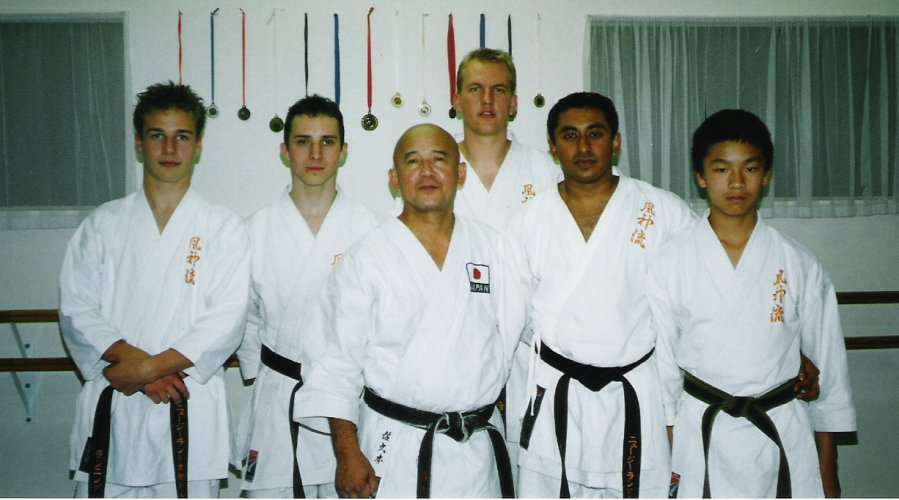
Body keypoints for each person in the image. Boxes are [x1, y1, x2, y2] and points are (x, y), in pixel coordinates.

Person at [294, 124, 515, 498]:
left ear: (460, 173)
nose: (427, 172)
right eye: (413, 162)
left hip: (477, 452)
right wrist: (347, 454)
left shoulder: (493, 247)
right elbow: (335, 363)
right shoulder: (367, 257)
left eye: (439, 159)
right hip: (397, 448)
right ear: (395, 178)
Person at [645, 109, 857, 498]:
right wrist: (672, 456)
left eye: (751, 168)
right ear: (701, 176)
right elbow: (664, 375)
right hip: (700, 432)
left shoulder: (798, 262)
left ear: (767, 175)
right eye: (721, 169)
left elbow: (830, 374)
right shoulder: (670, 262)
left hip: (782, 428)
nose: (737, 182)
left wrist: (828, 469)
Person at [59, 81, 250, 497]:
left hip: (187, 401)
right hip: (116, 399)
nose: (169, 148)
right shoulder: (103, 224)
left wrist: (146, 370)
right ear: (139, 143)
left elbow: (228, 318)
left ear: (198, 146)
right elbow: (77, 309)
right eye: (157, 135)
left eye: (182, 137)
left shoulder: (222, 227)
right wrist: (141, 370)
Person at [502, 91, 697, 498]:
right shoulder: (527, 221)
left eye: (595, 133)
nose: (584, 147)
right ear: (553, 147)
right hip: (557, 393)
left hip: (637, 392)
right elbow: (507, 320)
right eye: (570, 136)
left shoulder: (663, 211)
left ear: (616, 141)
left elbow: (705, 292)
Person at [234, 95, 381, 498]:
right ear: (285, 151)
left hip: (348, 406)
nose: (315, 155)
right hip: (279, 396)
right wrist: (262, 377)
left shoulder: (371, 229)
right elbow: (243, 320)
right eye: (303, 142)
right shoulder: (255, 230)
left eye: (327, 142)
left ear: (343, 151)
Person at [451, 47, 562, 471]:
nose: (487, 100)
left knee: (531, 469)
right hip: (457, 336)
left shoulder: (546, 172)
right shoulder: (436, 168)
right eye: (475, 89)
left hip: (532, 348)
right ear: (457, 99)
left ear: (513, 103)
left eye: (498, 90)